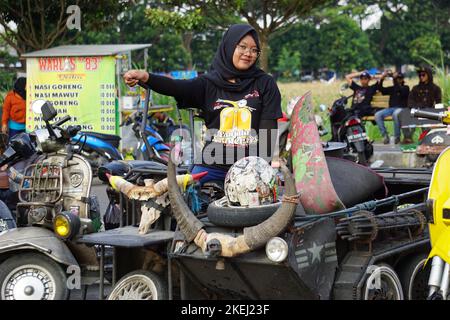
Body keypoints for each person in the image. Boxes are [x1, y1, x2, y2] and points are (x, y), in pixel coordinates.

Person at [124, 24, 282, 184]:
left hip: (250, 168)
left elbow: (267, 136)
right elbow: (177, 87)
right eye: (243, 47)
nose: (248, 53)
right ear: (228, 46)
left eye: (254, 50)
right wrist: (146, 77)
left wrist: (258, 172)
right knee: (183, 195)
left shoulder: (265, 84)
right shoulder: (208, 83)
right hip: (212, 166)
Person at [400, 66, 442, 144]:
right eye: (419, 75)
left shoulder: (435, 88)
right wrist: (416, 107)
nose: (421, 77)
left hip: (429, 112)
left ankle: (426, 139)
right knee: (403, 114)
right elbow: (410, 101)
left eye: (423, 75)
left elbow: (438, 103)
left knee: (425, 121)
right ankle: (408, 138)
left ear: (428, 75)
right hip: (416, 110)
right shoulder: (415, 88)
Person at [375, 71, 410, 144]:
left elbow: (400, 90)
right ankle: (385, 135)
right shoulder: (392, 88)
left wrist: (394, 79)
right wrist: (382, 79)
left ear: (403, 79)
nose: (398, 80)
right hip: (390, 109)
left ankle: (397, 136)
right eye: (397, 78)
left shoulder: (406, 88)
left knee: (395, 114)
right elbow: (381, 89)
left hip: (401, 109)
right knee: (377, 115)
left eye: (400, 78)